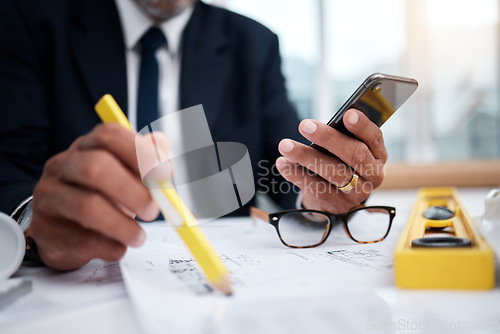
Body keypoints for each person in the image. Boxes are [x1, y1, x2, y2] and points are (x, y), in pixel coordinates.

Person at [0, 0, 386, 271]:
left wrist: (323, 189)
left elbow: (282, 166)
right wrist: (33, 222)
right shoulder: (29, 19)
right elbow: (9, 165)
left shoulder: (254, 44)